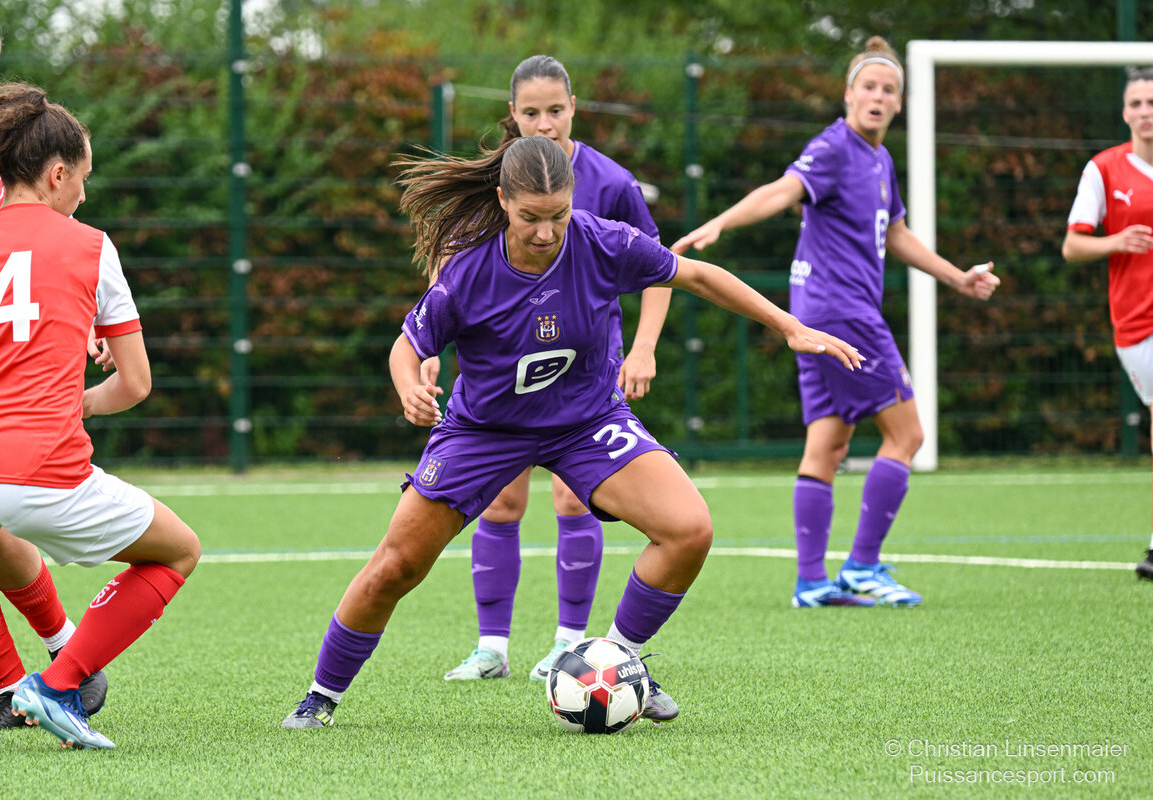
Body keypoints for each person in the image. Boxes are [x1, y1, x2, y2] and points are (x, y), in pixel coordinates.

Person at [281, 135, 864, 729]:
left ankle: (617, 661)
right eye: (530, 217)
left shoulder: (604, 242)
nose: (546, 232)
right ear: (504, 201)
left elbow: (698, 277)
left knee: (688, 530)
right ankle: (320, 697)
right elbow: (407, 347)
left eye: (558, 215)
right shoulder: (468, 270)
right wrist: (408, 386)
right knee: (396, 565)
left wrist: (788, 325)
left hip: (587, 421)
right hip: (486, 429)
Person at [672, 37, 1000, 609]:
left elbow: (896, 233)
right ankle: (863, 566)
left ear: (899, 103)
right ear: (848, 95)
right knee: (908, 435)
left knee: (827, 442)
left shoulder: (880, 160)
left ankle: (810, 583)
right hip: (843, 312)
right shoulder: (834, 147)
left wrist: (957, 278)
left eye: (888, 89)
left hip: (816, 312)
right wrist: (722, 223)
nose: (877, 96)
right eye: (868, 86)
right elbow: (783, 190)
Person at [0, 83, 200, 750]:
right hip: (43, 471)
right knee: (179, 550)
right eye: (83, 179)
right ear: (57, 174)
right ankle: (60, 684)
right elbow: (136, 384)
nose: (84, 196)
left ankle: (14, 687)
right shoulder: (91, 246)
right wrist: (83, 399)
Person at [438, 55, 672, 684]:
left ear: (574, 108)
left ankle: (570, 643)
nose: (544, 123)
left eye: (555, 110)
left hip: (584, 374)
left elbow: (662, 268)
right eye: (531, 112)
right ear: (512, 115)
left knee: (575, 494)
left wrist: (644, 347)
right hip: (501, 375)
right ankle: (491, 647)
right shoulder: (502, 181)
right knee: (501, 500)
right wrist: (429, 349)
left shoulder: (612, 182)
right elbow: (451, 271)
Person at [0, 0, 110, 733]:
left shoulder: (4, 163)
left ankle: (40, 675)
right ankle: (52, 668)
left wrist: (91, 324)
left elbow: (56, 248)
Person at [1062, 66, 1153, 581]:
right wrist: (1117, 241)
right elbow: (1072, 246)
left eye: (1152, 102)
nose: (1145, 112)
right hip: (1139, 322)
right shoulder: (1105, 170)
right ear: (1124, 113)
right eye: (1137, 103)